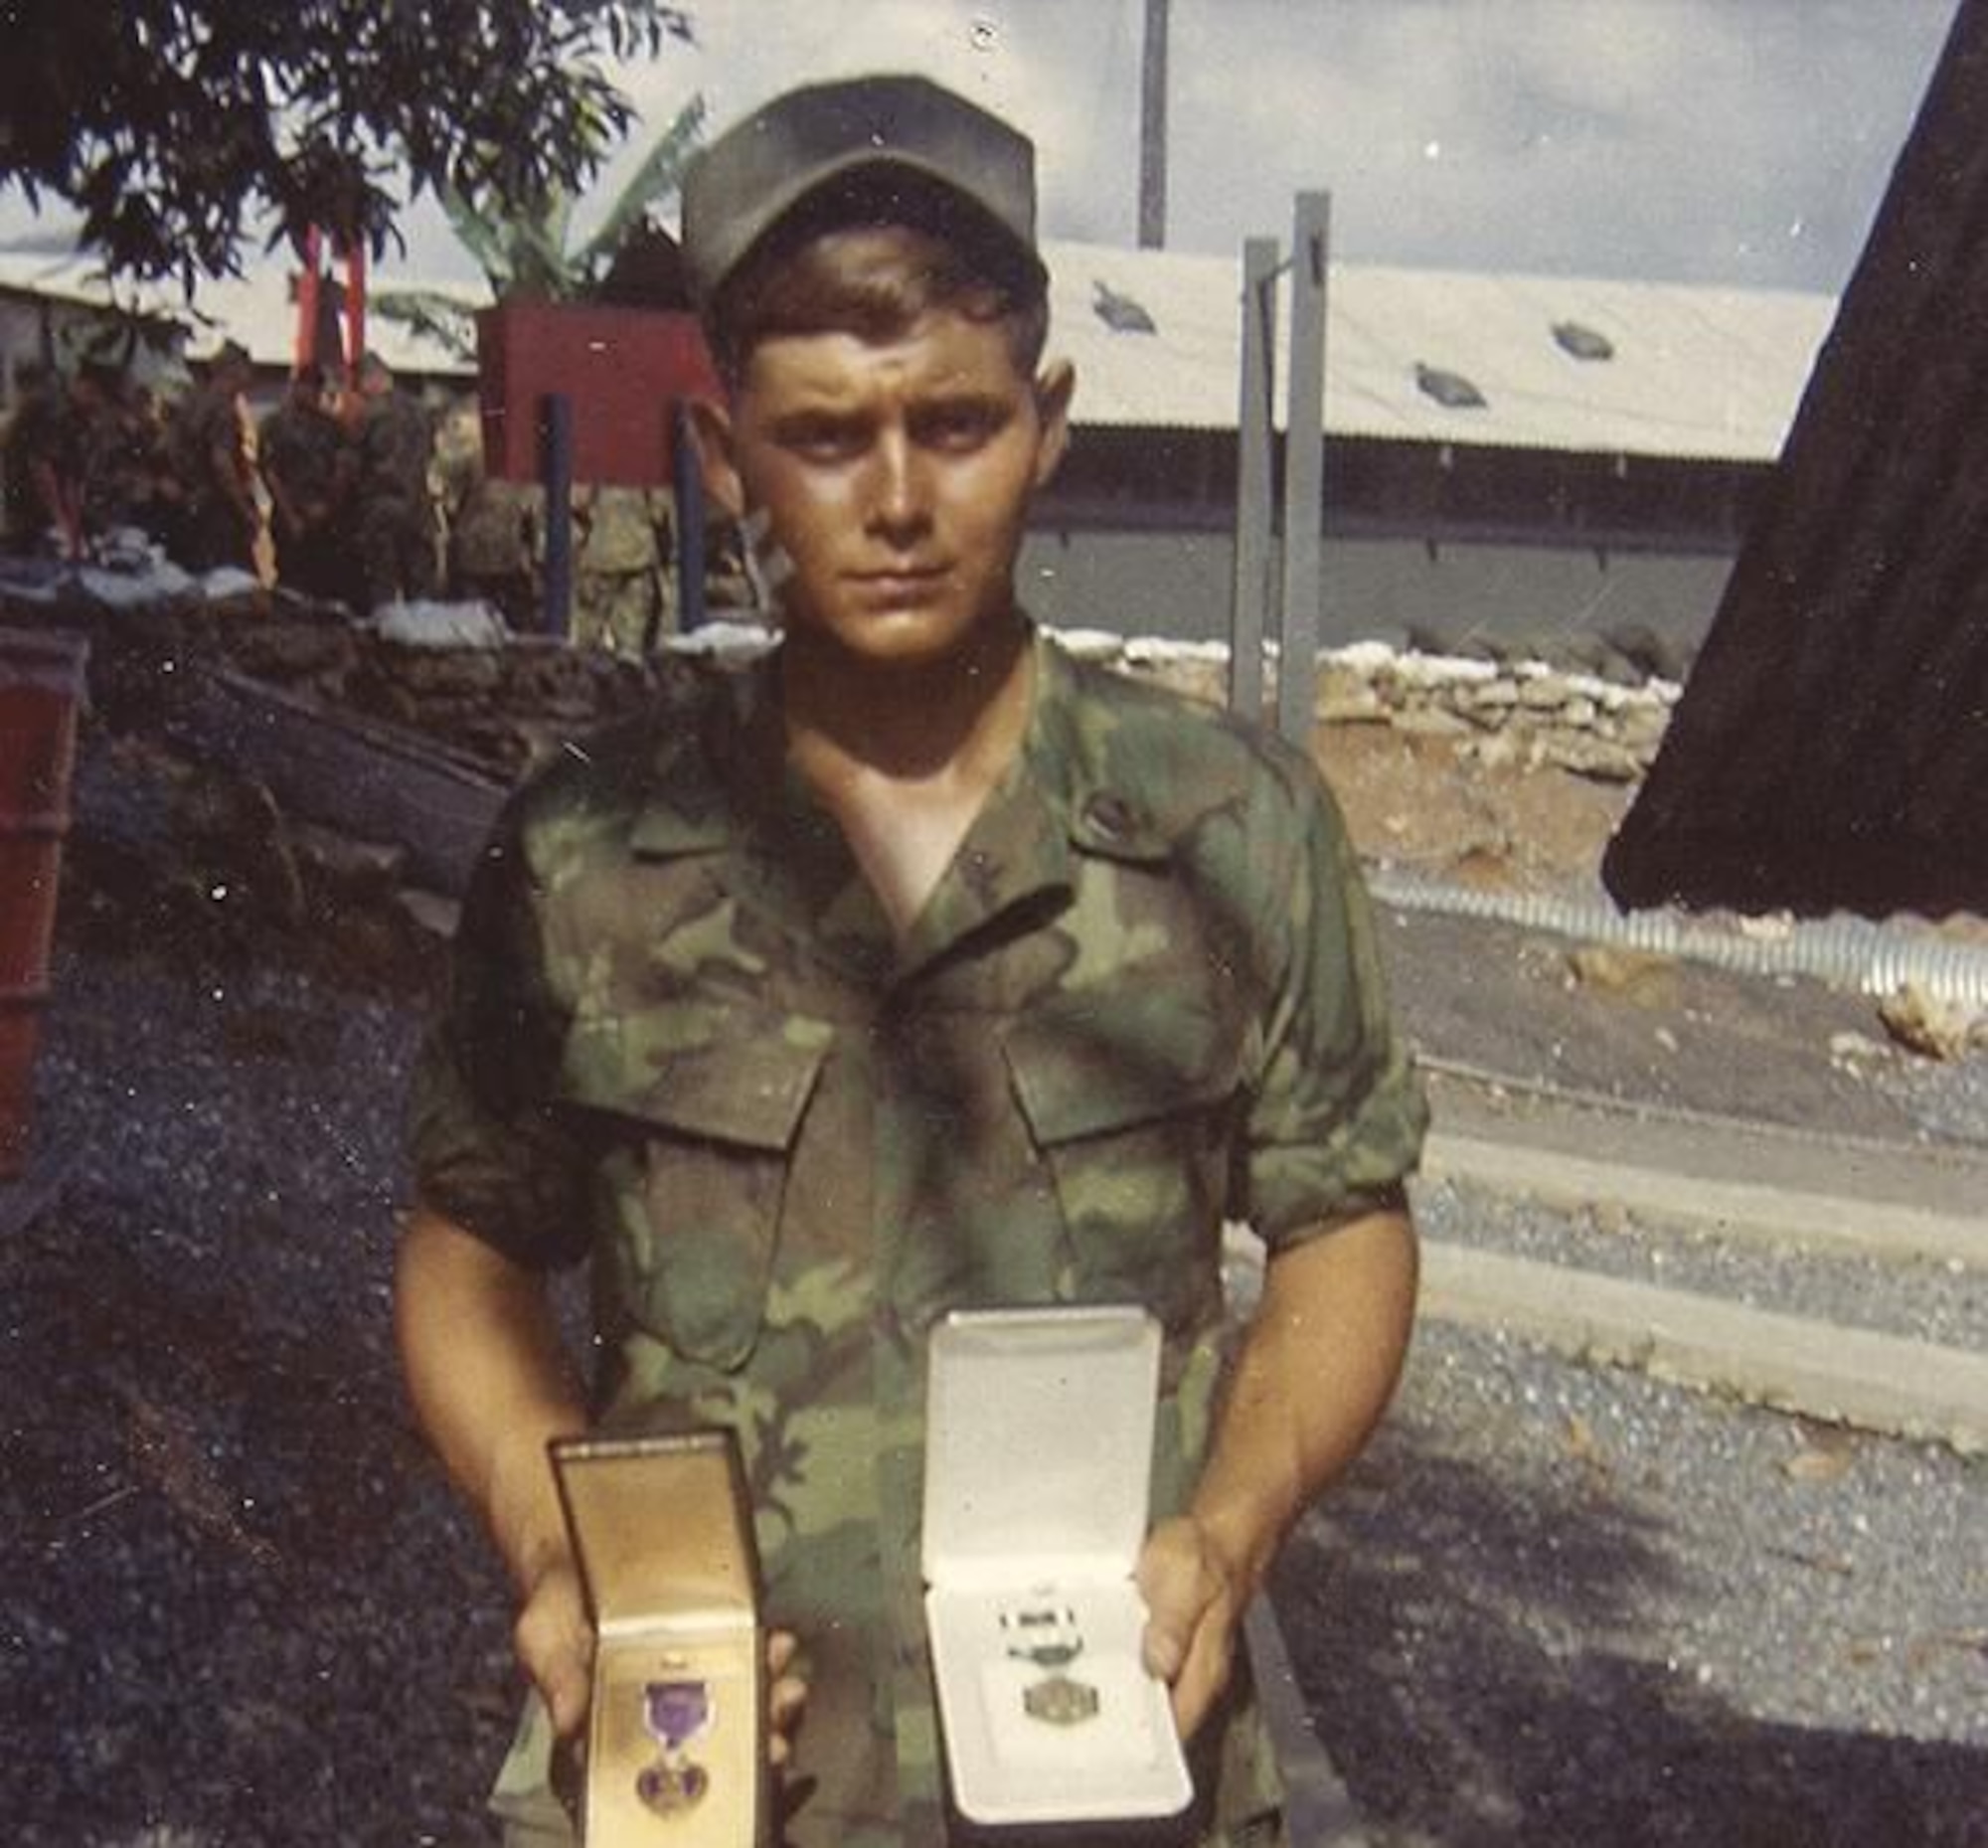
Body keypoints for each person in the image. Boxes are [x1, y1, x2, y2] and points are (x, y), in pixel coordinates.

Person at [397, 74, 1426, 1848]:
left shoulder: (1228, 828)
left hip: (1109, 1773)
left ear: (1048, 426)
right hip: (701, 1776)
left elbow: (1345, 1217)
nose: (893, 497)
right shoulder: (586, 851)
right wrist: (552, 1533)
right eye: (821, 434)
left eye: (954, 424)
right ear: (725, 462)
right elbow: (468, 1243)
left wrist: (1238, 1521)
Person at [351, 349, 438, 609]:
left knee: (382, 592)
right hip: (419, 510)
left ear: (370, 379)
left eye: (358, 386)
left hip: (381, 512)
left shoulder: (370, 415)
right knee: (421, 591)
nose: (358, 393)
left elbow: (351, 464)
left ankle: (385, 646)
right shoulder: (421, 411)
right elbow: (431, 455)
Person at [257, 363, 353, 601]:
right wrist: (290, 514)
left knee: (323, 582)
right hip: (289, 513)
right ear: (295, 387)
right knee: (289, 584)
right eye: (304, 387)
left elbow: (342, 472)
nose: (309, 393)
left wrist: (328, 507)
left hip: (325, 518)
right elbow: (270, 473)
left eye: (315, 388)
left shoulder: (334, 428)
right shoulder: (274, 425)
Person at [167, 338, 260, 572]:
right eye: (246, 368)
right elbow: (222, 464)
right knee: (233, 583)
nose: (249, 375)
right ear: (233, 370)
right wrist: (245, 510)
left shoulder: (192, 401)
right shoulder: (223, 409)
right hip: (218, 510)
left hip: (189, 504)